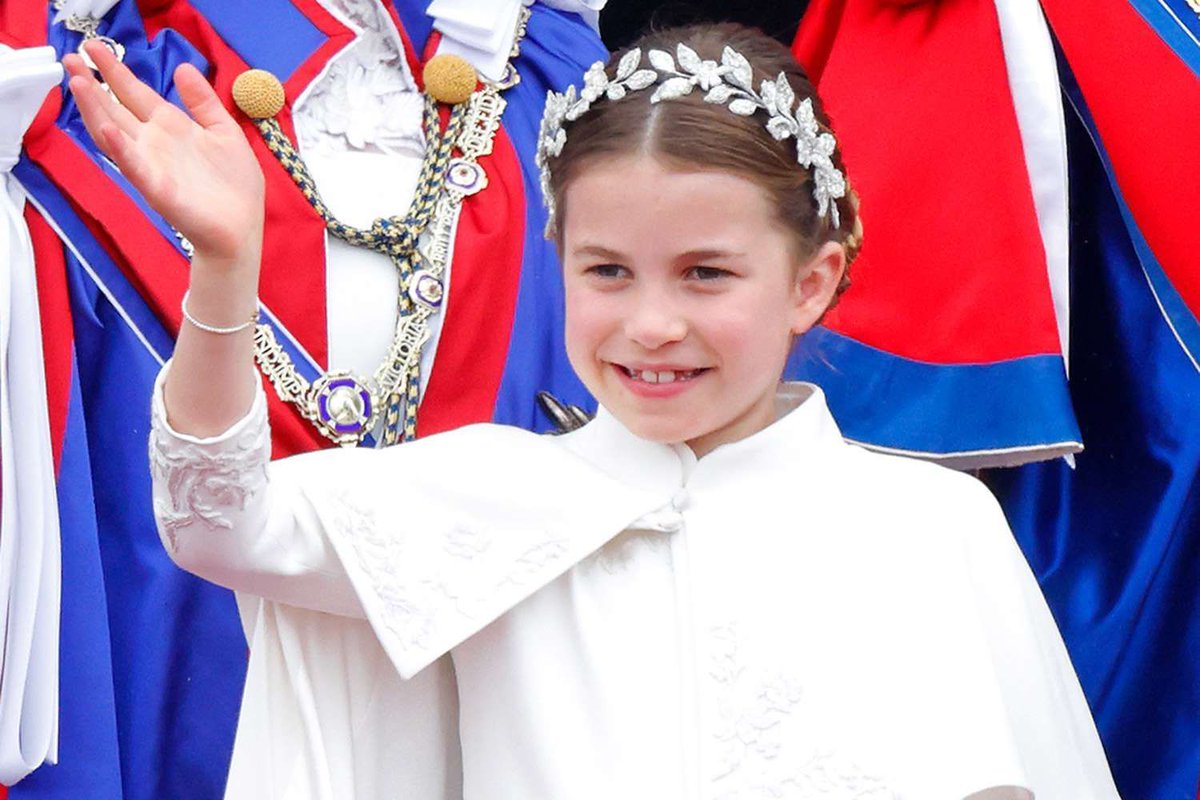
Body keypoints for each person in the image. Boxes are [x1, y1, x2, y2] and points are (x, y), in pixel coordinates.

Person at [67, 21, 1120, 799]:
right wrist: (223, 265)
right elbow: (219, 520)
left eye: (706, 273)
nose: (651, 323)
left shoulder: (926, 527)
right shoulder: (483, 495)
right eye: (607, 270)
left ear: (812, 280)